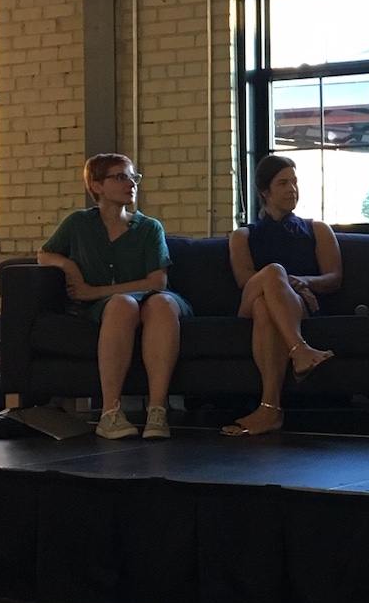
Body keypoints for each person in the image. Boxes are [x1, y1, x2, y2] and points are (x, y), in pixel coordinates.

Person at [38, 153, 190, 441]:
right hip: (111, 308)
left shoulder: (149, 227)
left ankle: (158, 411)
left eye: (133, 177)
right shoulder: (78, 224)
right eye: (120, 176)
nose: (130, 183)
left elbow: (157, 281)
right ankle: (110, 413)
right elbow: (45, 254)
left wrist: (92, 291)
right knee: (122, 304)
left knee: (162, 302)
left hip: (151, 300)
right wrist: (69, 265)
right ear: (96, 186)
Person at [221, 154, 343, 436]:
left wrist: (300, 282)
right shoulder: (243, 236)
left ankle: (269, 410)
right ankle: (300, 349)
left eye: (295, 183)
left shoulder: (317, 229)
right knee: (271, 276)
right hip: (250, 300)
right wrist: (280, 279)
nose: (292, 189)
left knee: (267, 307)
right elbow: (245, 280)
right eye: (283, 183)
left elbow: (334, 278)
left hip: (294, 305)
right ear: (265, 191)